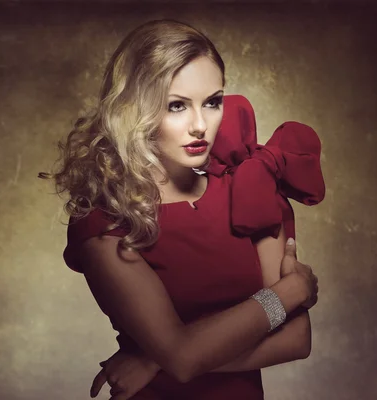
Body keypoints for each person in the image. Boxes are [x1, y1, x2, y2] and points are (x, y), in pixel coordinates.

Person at [40, 19, 325, 400]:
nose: (199, 125)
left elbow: (296, 339)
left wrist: (153, 359)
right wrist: (292, 290)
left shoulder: (250, 189)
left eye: (212, 102)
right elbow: (183, 358)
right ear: (134, 109)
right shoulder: (104, 222)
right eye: (176, 106)